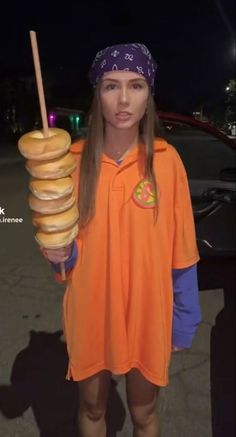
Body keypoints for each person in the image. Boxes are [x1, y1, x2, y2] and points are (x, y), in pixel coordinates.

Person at [40, 43, 201, 437]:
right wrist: (58, 252)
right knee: (92, 409)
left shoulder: (166, 160)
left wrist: (186, 319)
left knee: (144, 413)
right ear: (97, 94)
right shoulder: (70, 163)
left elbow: (182, 250)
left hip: (149, 311)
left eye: (137, 85)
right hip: (92, 307)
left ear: (150, 96)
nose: (124, 98)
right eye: (111, 86)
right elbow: (67, 255)